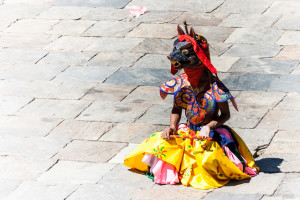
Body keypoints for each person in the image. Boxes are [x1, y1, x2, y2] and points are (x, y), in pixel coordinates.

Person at [124, 24, 259, 190]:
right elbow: (177, 109)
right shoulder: (181, 84)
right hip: (188, 131)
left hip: (210, 133)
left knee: (208, 160)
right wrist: (172, 127)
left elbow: (225, 114)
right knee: (160, 146)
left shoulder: (215, 87)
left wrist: (209, 127)